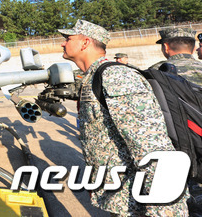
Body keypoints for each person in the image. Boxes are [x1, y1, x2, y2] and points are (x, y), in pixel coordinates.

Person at [59, 19, 188, 216]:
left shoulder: (116, 77)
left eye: (68, 38)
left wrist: (166, 208)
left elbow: (151, 147)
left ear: (85, 42)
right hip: (122, 199)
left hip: (139, 202)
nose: (62, 43)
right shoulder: (93, 77)